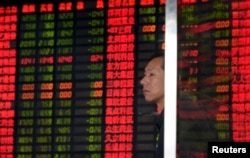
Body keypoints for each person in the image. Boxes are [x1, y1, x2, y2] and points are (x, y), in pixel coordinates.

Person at [140, 53, 164, 158]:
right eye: (145, 75)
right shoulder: (170, 119)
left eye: (151, 74)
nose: (143, 81)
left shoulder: (183, 118)